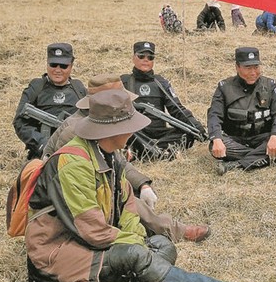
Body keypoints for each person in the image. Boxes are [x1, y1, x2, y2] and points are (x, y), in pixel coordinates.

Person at [25, 88, 264, 282]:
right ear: (112, 130)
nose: (133, 131)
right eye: (129, 125)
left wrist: (138, 239)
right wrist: (138, 246)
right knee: (137, 255)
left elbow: (127, 205)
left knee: (162, 245)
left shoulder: (108, 154)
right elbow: (93, 231)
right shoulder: (73, 164)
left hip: (89, 245)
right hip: (56, 254)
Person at [44, 74, 210, 243]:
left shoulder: (100, 123)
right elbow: (83, 179)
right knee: (124, 197)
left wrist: (142, 184)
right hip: (69, 196)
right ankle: (174, 230)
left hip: (88, 185)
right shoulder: (77, 130)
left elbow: (117, 162)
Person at [207, 46, 276, 175]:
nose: (253, 72)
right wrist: (217, 139)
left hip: (262, 137)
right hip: (235, 139)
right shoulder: (224, 87)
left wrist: (275, 136)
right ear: (237, 67)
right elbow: (214, 115)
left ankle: (236, 165)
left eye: (256, 67)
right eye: (248, 68)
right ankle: (268, 158)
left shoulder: (270, 85)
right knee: (215, 146)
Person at [120, 41, 208, 161]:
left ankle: (142, 152)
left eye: (150, 57)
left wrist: (197, 128)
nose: (145, 60)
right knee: (125, 133)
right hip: (137, 131)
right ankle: (162, 153)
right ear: (133, 58)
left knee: (187, 134)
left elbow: (177, 109)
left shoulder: (161, 83)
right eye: (141, 56)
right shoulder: (123, 82)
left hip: (159, 132)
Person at [13, 42, 87, 159]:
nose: (57, 70)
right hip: (41, 153)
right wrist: (42, 144)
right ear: (47, 63)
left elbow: (90, 119)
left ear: (71, 66)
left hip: (74, 151)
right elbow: (20, 122)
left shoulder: (79, 89)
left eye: (63, 66)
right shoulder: (36, 87)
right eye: (53, 65)